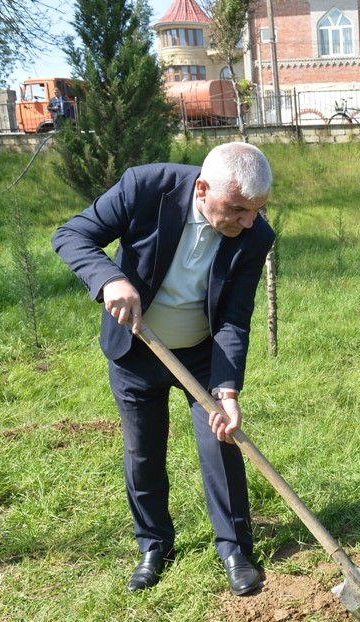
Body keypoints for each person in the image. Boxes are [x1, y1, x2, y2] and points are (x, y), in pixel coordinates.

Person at [52, 142, 275, 596]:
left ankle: (234, 549)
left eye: (256, 210)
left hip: (201, 354)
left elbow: (234, 316)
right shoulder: (145, 187)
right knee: (143, 452)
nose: (247, 221)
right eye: (237, 209)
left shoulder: (256, 235)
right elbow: (71, 235)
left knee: (221, 445)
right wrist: (109, 278)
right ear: (201, 188)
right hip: (138, 349)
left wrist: (228, 388)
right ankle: (154, 544)